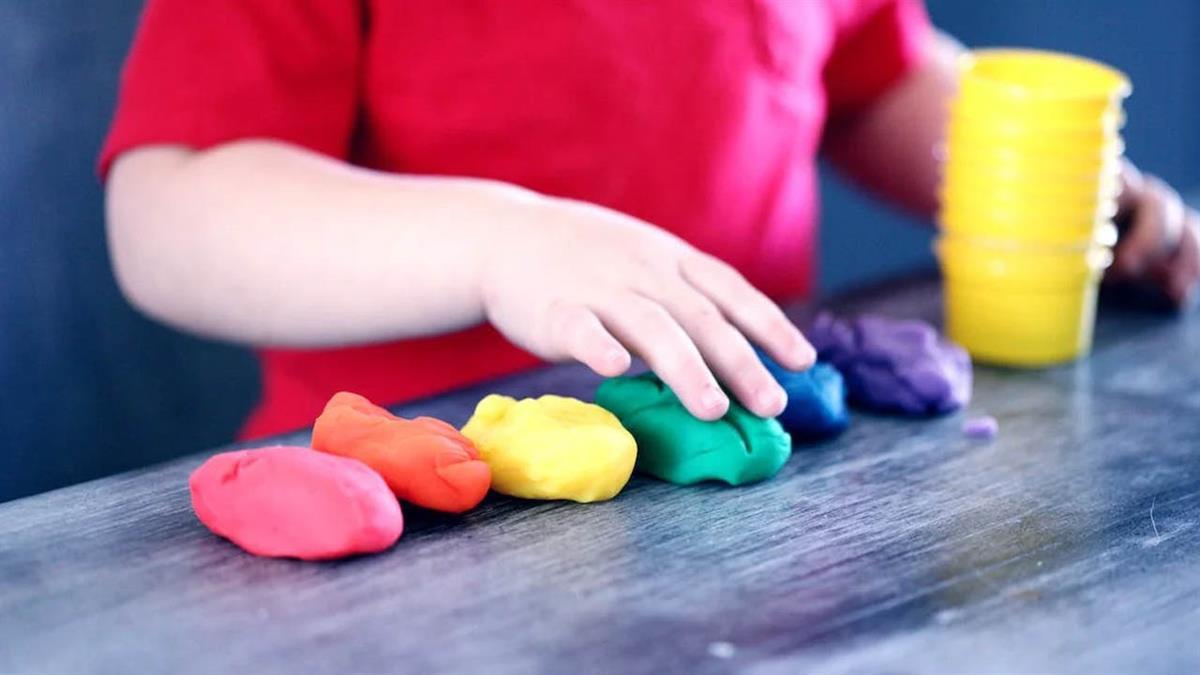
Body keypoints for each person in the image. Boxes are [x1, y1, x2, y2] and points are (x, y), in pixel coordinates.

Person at [101, 1, 1199, 439]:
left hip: (758, 483)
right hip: (412, 505)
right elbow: (170, 213)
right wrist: (499, 244)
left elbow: (869, 77)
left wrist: (1058, 193)